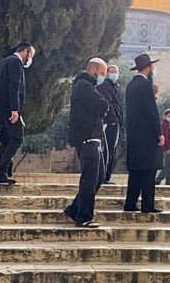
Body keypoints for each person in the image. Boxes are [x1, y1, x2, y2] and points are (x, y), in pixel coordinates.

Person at [64, 58, 109, 228]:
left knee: (99, 176)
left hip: (93, 138)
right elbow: (102, 106)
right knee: (90, 179)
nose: (103, 77)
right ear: (92, 70)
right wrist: (104, 104)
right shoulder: (84, 86)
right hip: (87, 138)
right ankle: (83, 217)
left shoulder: (89, 86)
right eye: (102, 73)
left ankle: (74, 209)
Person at [0, 42, 35, 184]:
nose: (30, 59)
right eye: (31, 55)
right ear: (25, 52)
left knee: (6, 139)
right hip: (9, 108)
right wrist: (15, 110)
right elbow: (14, 85)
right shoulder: (16, 62)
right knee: (17, 138)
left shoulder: (4, 61)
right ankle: (1, 170)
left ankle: (2, 174)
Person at [124, 54, 164, 213]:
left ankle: (130, 203)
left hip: (134, 134)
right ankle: (148, 204)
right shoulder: (145, 84)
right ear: (148, 67)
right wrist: (159, 133)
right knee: (149, 169)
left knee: (136, 170)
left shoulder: (131, 84)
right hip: (147, 135)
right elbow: (151, 111)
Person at [97, 65, 124, 184]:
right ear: (107, 73)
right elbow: (107, 103)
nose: (114, 74)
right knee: (108, 150)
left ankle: (106, 176)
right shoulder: (105, 86)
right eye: (112, 72)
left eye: (116, 72)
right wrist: (112, 118)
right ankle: (103, 177)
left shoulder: (113, 87)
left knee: (112, 150)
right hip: (110, 122)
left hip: (115, 122)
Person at [156, 108, 170, 185]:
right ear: (165, 116)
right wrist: (168, 148)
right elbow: (165, 137)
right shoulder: (164, 125)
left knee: (169, 165)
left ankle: (169, 180)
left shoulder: (169, 125)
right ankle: (158, 179)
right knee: (167, 166)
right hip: (167, 149)